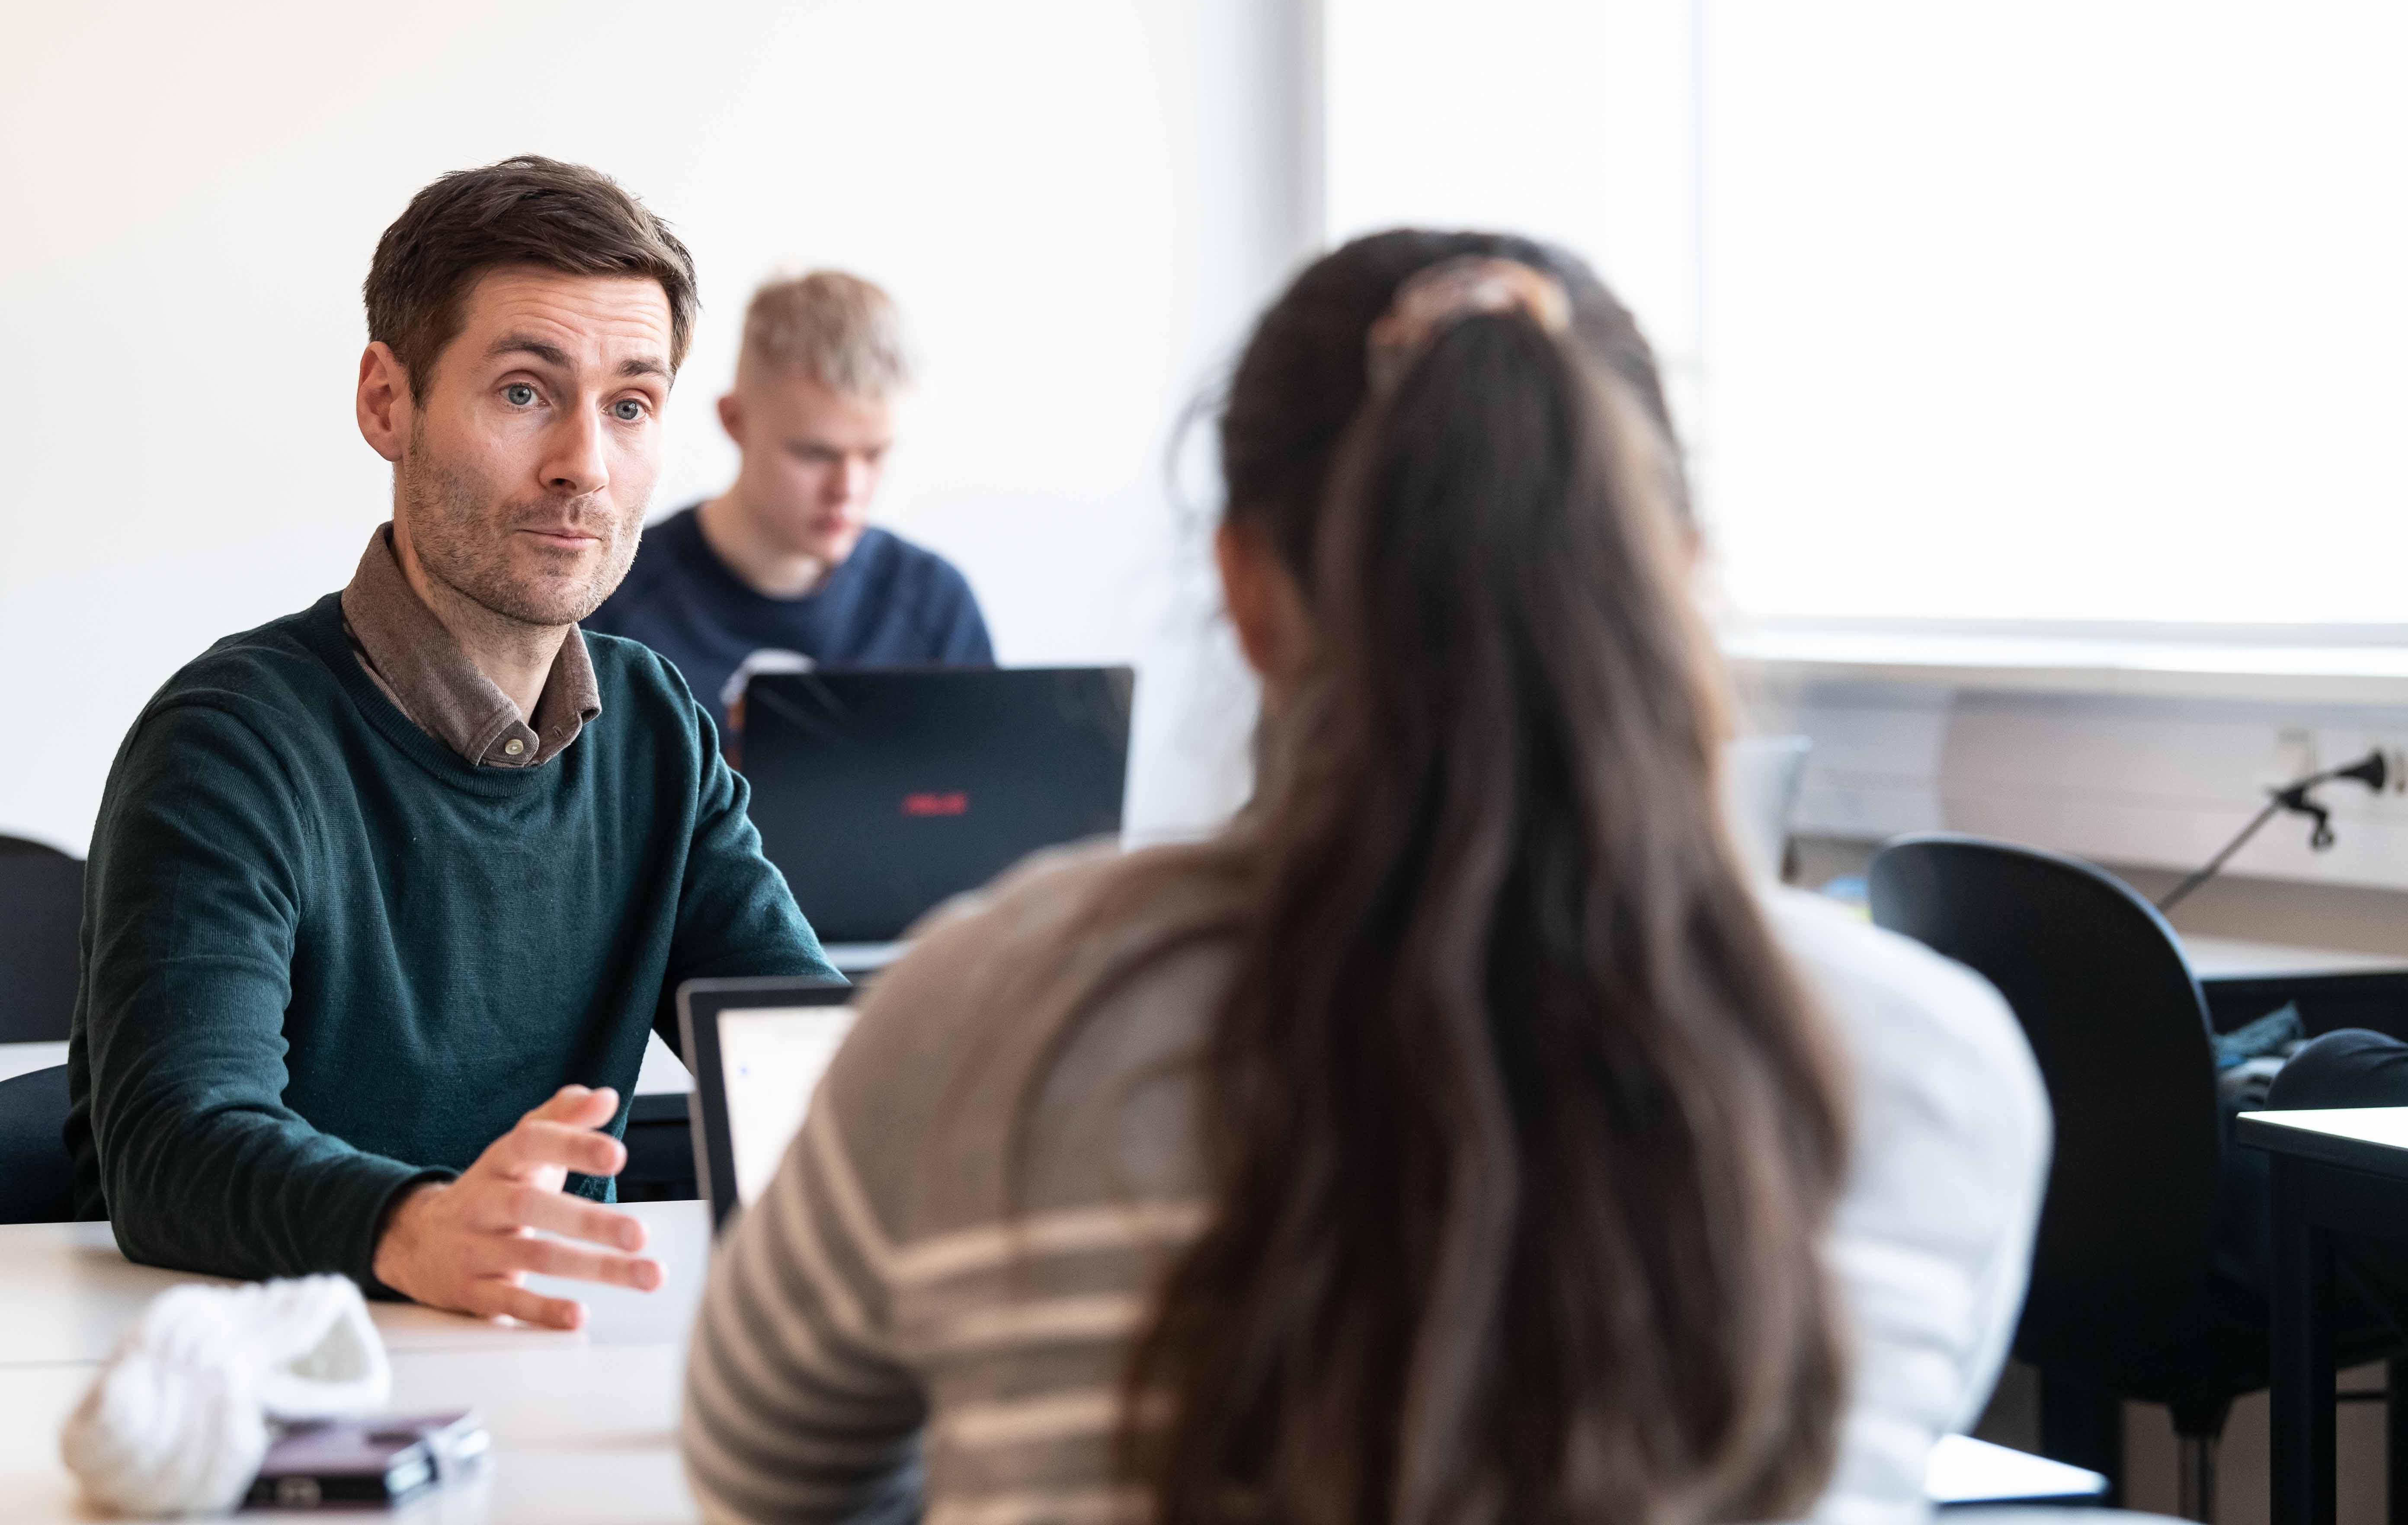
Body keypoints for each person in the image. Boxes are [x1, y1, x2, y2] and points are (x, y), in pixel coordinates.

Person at [679, 232, 2050, 1525]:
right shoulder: (1940, 1073)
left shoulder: (978, 1015)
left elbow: (768, 1476)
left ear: (1246, 586)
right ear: (1667, 572)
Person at [67, 156, 835, 1329]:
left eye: (630, 405)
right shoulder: (229, 742)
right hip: (283, 1381)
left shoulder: (653, 729)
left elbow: (801, 1065)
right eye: (526, 392)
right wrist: (419, 1228)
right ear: (387, 401)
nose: (585, 462)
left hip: (545, 1354)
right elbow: (176, 1145)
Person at [584, 271, 992, 745]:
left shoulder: (936, 609)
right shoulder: (610, 601)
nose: (849, 488)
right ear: (735, 421)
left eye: (875, 454)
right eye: (816, 454)